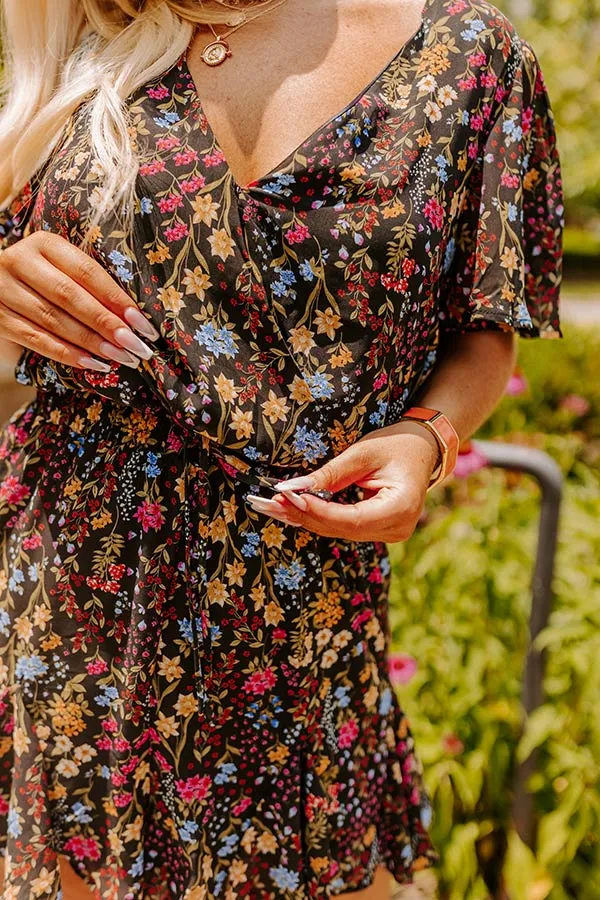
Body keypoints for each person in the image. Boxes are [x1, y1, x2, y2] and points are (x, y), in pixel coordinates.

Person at [0, 0, 563, 897]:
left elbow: (486, 326)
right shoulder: (84, 25)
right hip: (75, 608)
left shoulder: (471, 57)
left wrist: (429, 435)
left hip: (304, 625)